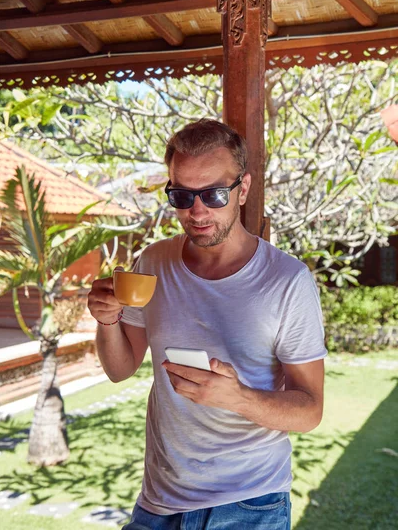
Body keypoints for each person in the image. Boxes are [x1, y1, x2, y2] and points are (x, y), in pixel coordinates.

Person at [88, 119, 327, 530]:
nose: (197, 211)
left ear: (243, 189)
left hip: (249, 505)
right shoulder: (153, 263)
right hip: (159, 502)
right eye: (181, 195)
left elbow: (310, 411)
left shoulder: (287, 281)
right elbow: (119, 369)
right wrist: (107, 320)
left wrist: (237, 398)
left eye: (214, 194)